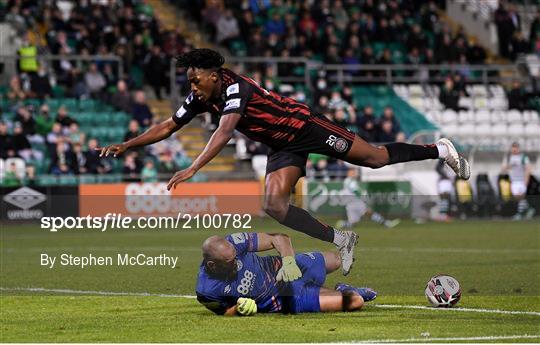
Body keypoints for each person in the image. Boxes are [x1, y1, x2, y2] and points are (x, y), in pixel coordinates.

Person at [98, 49, 470, 276]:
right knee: (273, 205)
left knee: (373, 159)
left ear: (213, 75)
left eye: (195, 81)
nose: (192, 88)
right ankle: (342, 238)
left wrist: (194, 167)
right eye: (190, 82)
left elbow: (226, 131)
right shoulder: (202, 96)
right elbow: (168, 124)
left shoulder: (234, 88)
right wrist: (128, 144)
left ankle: (439, 150)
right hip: (281, 145)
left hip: (304, 127)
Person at [196, 232, 377, 316]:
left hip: (287, 268)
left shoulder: (233, 243)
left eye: (236, 257)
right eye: (230, 262)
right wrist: (239, 309)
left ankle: (337, 290)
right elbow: (224, 312)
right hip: (285, 299)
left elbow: (279, 238)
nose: (236, 261)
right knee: (355, 302)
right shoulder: (206, 290)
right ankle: (343, 291)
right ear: (212, 265)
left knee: (336, 259)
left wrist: (288, 262)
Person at [336, 168, 400, 229]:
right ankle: (386, 223)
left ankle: (342, 224)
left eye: (355, 172)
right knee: (369, 212)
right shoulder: (351, 181)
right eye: (353, 173)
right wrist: (362, 196)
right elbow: (355, 190)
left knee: (353, 223)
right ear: (349, 173)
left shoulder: (347, 181)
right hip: (355, 201)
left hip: (350, 203)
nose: (355, 174)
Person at [502, 142, 535, 220]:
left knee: (519, 196)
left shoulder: (523, 157)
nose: (514, 149)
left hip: (521, 180)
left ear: (518, 148)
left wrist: (526, 181)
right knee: (518, 198)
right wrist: (505, 168)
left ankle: (520, 213)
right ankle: (528, 209)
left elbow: (528, 169)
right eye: (513, 147)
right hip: (514, 180)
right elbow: (510, 167)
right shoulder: (511, 158)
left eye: (516, 147)